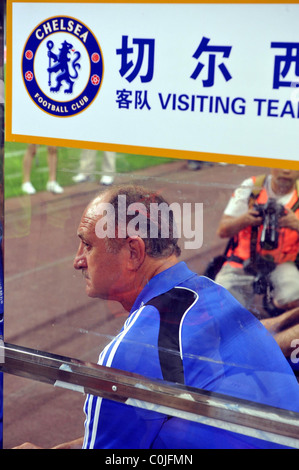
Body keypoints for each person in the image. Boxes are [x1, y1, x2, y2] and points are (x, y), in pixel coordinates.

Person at [17, 185, 299, 449]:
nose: (78, 260)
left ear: (133, 252)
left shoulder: (133, 350)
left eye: (87, 245)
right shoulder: (213, 293)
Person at [215, 169, 299, 315]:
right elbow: (222, 231)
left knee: (294, 297)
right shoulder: (252, 187)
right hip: (243, 260)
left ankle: (276, 312)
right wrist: (244, 219)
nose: (286, 171)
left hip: (282, 263)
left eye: (292, 165)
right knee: (220, 302)